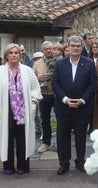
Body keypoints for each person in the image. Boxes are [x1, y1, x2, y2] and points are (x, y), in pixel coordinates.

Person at [52, 35, 97, 175]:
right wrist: (65, 99)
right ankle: (64, 163)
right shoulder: (60, 64)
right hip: (63, 107)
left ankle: (80, 162)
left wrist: (82, 100)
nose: (75, 48)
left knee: (81, 137)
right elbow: (54, 83)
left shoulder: (89, 63)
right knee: (62, 137)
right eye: (73, 46)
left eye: (78, 46)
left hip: (82, 107)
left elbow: (92, 84)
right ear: (68, 47)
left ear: (81, 47)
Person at [0, 43, 42, 175]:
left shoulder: (27, 70)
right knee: (7, 137)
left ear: (20, 55)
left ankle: (23, 166)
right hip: (6, 110)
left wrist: (34, 101)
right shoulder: (0, 71)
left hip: (24, 111)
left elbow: (35, 88)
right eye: (11, 53)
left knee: (22, 137)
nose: (13, 55)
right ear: (6, 55)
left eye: (16, 52)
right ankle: (8, 165)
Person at [32, 41, 55, 153]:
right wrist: (38, 78)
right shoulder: (37, 64)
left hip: (57, 95)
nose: (49, 50)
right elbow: (32, 79)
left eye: (50, 48)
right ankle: (46, 142)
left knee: (61, 120)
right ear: (43, 51)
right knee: (45, 120)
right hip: (44, 95)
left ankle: (61, 142)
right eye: (46, 49)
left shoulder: (59, 61)